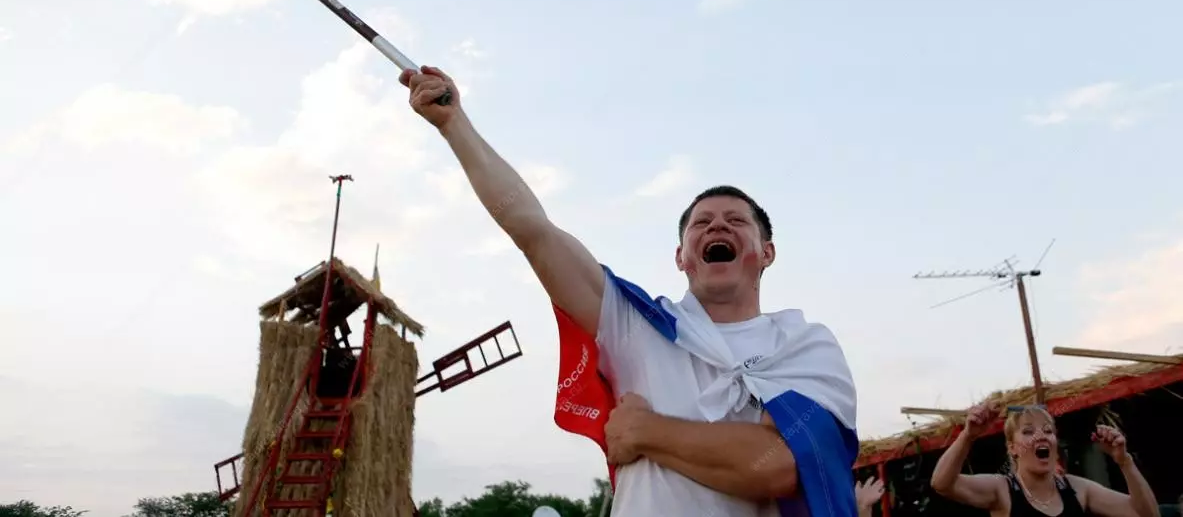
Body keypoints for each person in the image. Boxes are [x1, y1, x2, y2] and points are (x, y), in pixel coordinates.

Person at [400, 66, 858, 517]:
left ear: (767, 252)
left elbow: (778, 467)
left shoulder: (804, 343)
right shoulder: (634, 324)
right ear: (681, 257)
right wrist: (454, 124)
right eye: (701, 223)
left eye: (736, 221)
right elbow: (533, 229)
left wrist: (645, 432)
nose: (717, 225)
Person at [930, 403, 1159, 517]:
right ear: (1012, 448)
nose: (1041, 436)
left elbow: (1146, 514)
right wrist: (968, 436)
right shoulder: (1002, 489)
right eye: (1028, 431)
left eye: (1048, 431)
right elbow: (942, 483)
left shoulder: (1077, 489)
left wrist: (1124, 461)